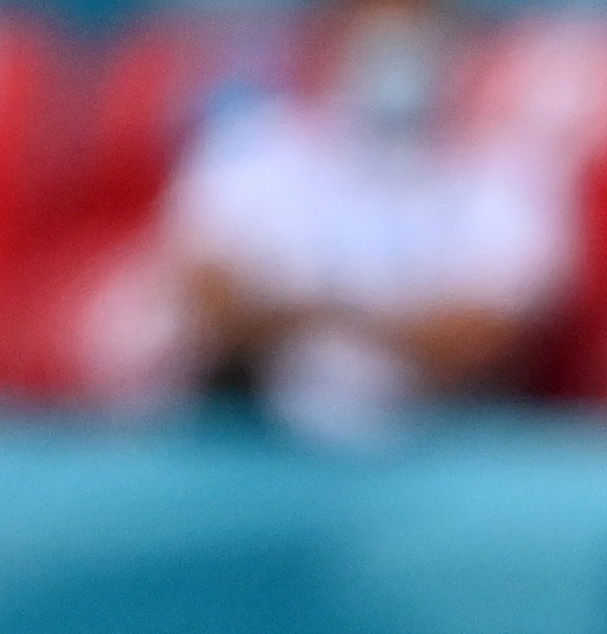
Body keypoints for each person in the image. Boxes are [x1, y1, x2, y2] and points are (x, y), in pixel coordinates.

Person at [163, 0, 575, 442]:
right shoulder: (251, 147)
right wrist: (389, 327)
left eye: (413, 38)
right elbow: (212, 305)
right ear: (333, 39)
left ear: (457, 50)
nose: (394, 56)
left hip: (441, 442)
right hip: (259, 430)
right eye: (376, 38)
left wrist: (305, 316)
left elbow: (479, 340)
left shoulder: (507, 170)